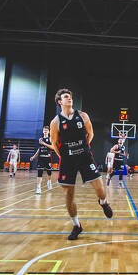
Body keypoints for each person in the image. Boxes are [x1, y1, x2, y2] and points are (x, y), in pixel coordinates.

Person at [49, 88, 113, 240]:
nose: (69, 98)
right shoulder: (56, 122)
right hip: (68, 160)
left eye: (70, 96)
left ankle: (103, 202)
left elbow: (90, 133)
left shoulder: (82, 115)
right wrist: (63, 156)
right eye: (66, 97)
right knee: (68, 194)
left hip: (85, 157)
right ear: (60, 102)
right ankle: (76, 226)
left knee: (100, 189)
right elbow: (54, 142)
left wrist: (85, 147)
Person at [30, 126, 54, 194]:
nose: (45, 131)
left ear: (49, 131)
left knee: (49, 172)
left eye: (46, 130)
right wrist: (33, 157)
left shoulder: (50, 139)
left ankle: (49, 182)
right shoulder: (40, 139)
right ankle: (38, 188)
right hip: (41, 158)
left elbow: (52, 147)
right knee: (39, 172)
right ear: (43, 131)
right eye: (44, 130)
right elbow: (39, 149)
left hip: (48, 157)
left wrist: (44, 144)